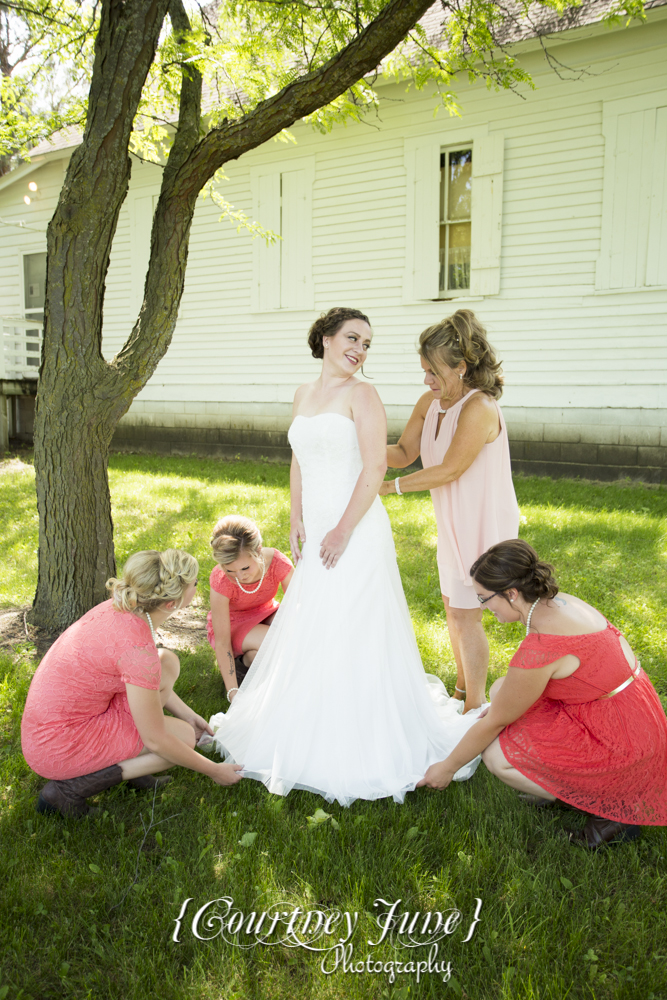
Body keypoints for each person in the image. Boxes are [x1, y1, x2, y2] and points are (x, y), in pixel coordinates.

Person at [207, 307, 486, 807]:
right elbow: (298, 457)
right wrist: (295, 515)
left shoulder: (364, 395)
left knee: (355, 622)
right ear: (326, 339)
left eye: (367, 343)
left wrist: (340, 529)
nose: (359, 349)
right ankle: (311, 712)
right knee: (316, 619)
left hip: (355, 529)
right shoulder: (303, 394)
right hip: (316, 526)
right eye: (352, 338)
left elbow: (376, 465)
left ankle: (361, 728)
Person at [418, 540, 667, 848]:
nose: (483, 607)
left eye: (484, 598)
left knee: (498, 756)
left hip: (621, 743)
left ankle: (609, 811)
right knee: (500, 690)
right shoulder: (560, 602)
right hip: (630, 716)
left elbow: (493, 722)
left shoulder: (542, 645)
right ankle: (575, 788)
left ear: (510, 594)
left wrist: (446, 768)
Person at [21, 549, 243, 817]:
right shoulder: (137, 651)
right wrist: (214, 770)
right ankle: (66, 792)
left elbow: (147, 681)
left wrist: (189, 714)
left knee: (167, 662)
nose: (198, 585)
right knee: (181, 739)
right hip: (58, 745)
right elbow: (157, 739)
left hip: (50, 726)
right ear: (172, 604)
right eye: (194, 583)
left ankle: (134, 760)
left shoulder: (125, 607)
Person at [380, 310, 519, 713]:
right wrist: (357, 442)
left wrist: (389, 487)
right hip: (451, 524)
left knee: (465, 616)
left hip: (482, 524)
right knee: (453, 611)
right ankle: (462, 690)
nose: (426, 380)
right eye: (423, 370)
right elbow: (405, 452)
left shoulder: (480, 408)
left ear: (460, 367)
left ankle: (474, 709)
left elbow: (451, 469)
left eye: (433, 371)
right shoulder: (430, 402)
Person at [206, 515, 293, 700]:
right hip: (233, 624)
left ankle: (246, 663)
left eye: (245, 568)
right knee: (278, 642)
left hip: (265, 612)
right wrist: (232, 692)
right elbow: (222, 642)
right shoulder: (221, 580)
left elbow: (299, 605)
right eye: (230, 570)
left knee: (294, 627)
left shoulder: (278, 563)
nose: (239, 576)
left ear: (258, 551)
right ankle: (239, 671)